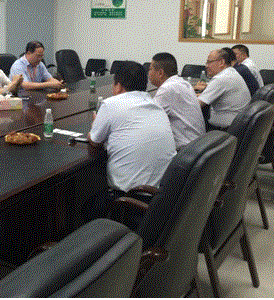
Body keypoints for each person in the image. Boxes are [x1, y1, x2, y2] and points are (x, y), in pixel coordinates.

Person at [86, 61, 176, 218]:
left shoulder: (111, 104)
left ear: (118, 86)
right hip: (161, 198)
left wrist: (95, 126)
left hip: (130, 201)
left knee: (87, 208)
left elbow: (94, 141)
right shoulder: (156, 105)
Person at [148, 52, 205, 150]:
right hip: (197, 144)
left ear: (160, 73)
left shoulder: (168, 89)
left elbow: (148, 120)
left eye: (150, 69)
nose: (148, 73)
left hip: (185, 150)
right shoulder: (182, 83)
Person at [196, 49, 250, 130]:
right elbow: (207, 96)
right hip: (237, 125)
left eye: (209, 62)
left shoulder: (221, 78)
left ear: (221, 62)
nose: (206, 66)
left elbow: (197, 104)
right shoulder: (230, 72)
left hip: (223, 129)